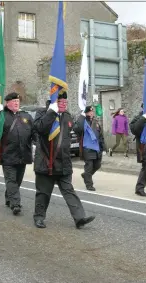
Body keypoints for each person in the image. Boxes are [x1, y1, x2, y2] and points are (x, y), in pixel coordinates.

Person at [33, 92, 95, 229]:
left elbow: (76, 130)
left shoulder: (67, 116)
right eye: (61, 102)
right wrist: (52, 112)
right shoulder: (42, 113)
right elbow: (40, 128)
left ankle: (79, 218)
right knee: (43, 193)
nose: (64, 105)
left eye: (65, 103)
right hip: (46, 162)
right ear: (54, 102)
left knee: (69, 191)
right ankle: (39, 217)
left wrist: (83, 116)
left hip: (64, 162)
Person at [0, 92, 36, 215]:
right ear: (7, 103)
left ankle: (9, 197)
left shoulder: (26, 116)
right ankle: (16, 204)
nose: (16, 103)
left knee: (17, 181)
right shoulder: (1, 116)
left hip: (23, 155)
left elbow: (33, 132)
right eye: (13, 101)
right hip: (7, 154)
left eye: (17, 101)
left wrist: (37, 143)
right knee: (11, 180)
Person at [74, 105, 106, 191]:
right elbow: (77, 129)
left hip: (96, 148)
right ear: (86, 113)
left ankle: (86, 176)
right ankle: (89, 184)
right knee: (89, 166)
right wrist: (81, 117)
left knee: (97, 165)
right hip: (87, 148)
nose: (91, 113)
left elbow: (100, 136)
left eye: (92, 112)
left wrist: (103, 148)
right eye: (89, 112)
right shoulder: (82, 122)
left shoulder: (96, 122)